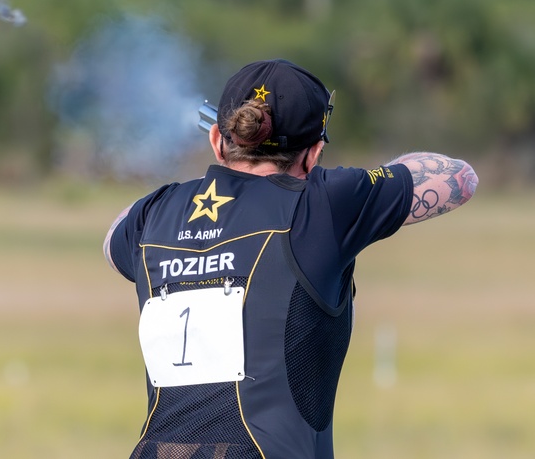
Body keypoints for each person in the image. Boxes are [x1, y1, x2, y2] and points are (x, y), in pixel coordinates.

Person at [103, 58, 478, 459]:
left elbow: (113, 240)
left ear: (217, 140)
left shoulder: (154, 214)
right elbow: (458, 177)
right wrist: (334, 188)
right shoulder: (322, 203)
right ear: (314, 153)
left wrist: (208, 189)